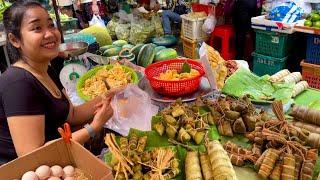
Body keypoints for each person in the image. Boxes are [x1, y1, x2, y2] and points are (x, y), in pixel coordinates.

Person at [0, 0, 119, 165]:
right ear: (14, 40)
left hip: (61, 157)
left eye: (51, 25)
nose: (50, 34)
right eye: (37, 28)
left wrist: (110, 95)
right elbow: (33, 157)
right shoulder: (18, 84)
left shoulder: (46, 69)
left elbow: (72, 115)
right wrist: (94, 127)